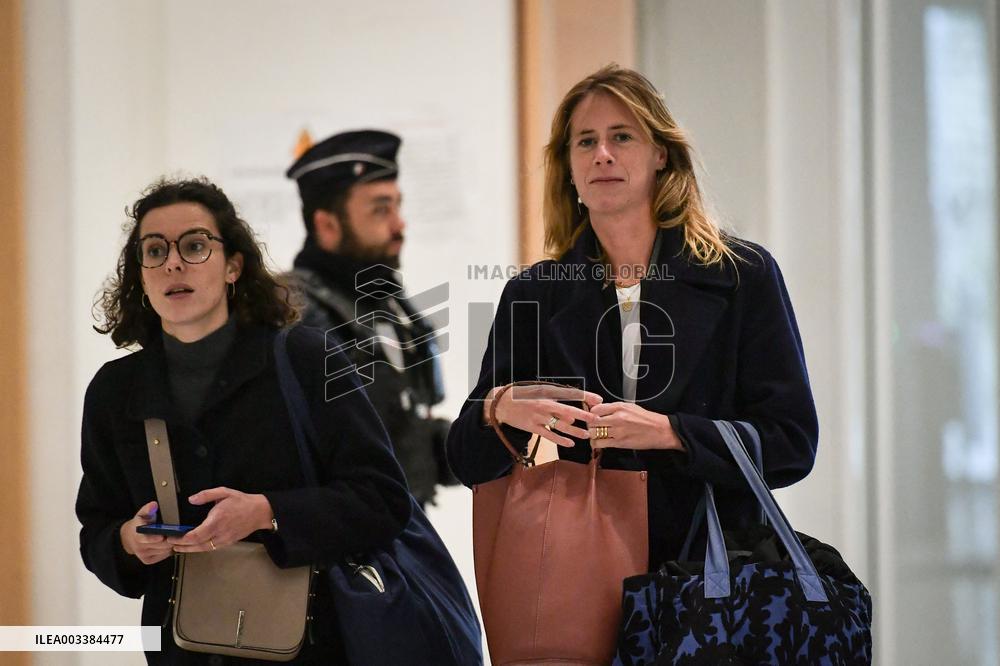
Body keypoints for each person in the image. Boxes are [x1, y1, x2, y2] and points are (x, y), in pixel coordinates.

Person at [446, 65, 818, 572]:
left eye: (622, 136)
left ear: (660, 154)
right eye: (585, 142)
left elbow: (791, 444)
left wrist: (671, 432)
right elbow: (467, 461)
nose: (603, 154)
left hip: (713, 580)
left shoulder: (741, 277)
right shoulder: (533, 293)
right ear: (570, 168)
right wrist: (500, 407)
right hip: (582, 578)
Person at [76, 177, 412, 664]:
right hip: (181, 650)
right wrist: (127, 541)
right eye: (154, 251)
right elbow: (96, 529)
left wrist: (267, 512)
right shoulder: (114, 390)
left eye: (194, 245)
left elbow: (382, 499)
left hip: (310, 647)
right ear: (141, 276)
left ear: (233, 265)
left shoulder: (305, 357)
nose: (173, 263)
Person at [284, 130, 455, 507]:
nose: (399, 225)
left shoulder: (385, 299)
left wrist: (486, 437)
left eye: (397, 206)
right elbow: (329, 446)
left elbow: (398, 430)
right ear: (327, 225)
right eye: (381, 209)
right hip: (339, 548)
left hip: (401, 533)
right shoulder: (296, 312)